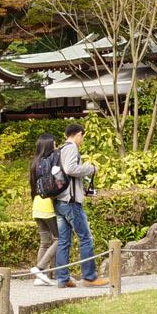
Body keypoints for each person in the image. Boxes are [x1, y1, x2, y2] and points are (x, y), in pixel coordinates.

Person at [53, 121, 103, 287]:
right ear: (79, 134)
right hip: (71, 202)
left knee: (63, 241)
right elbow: (70, 169)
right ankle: (89, 277)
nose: (82, 140)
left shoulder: (60, 149)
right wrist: (90, 169)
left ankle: (63, 278)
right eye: (82, 136)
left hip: (59, 200)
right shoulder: (72, 148)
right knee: (86, 238)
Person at [27, 134, 61, 285]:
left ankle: (42, 277)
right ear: (49, 146)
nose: (56, 146)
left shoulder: (35, 163)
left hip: (36, 205)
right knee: (60, 239)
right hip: (47, 205)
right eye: (54, 144)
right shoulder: (49, 162)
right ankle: (40, 269)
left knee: (45, 242)